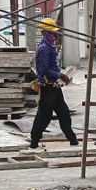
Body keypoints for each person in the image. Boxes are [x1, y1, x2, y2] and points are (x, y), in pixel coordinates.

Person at [30, 18, 77, 149]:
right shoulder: (44, 48)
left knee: (63, 113)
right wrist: (60, 75)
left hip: (55, 87)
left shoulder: (50, 46)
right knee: (44, 115)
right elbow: (45, 69)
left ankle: (72, 139)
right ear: (47, 33)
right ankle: (34, 141)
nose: (56, 35)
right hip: (47, 88)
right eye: (54, 33)